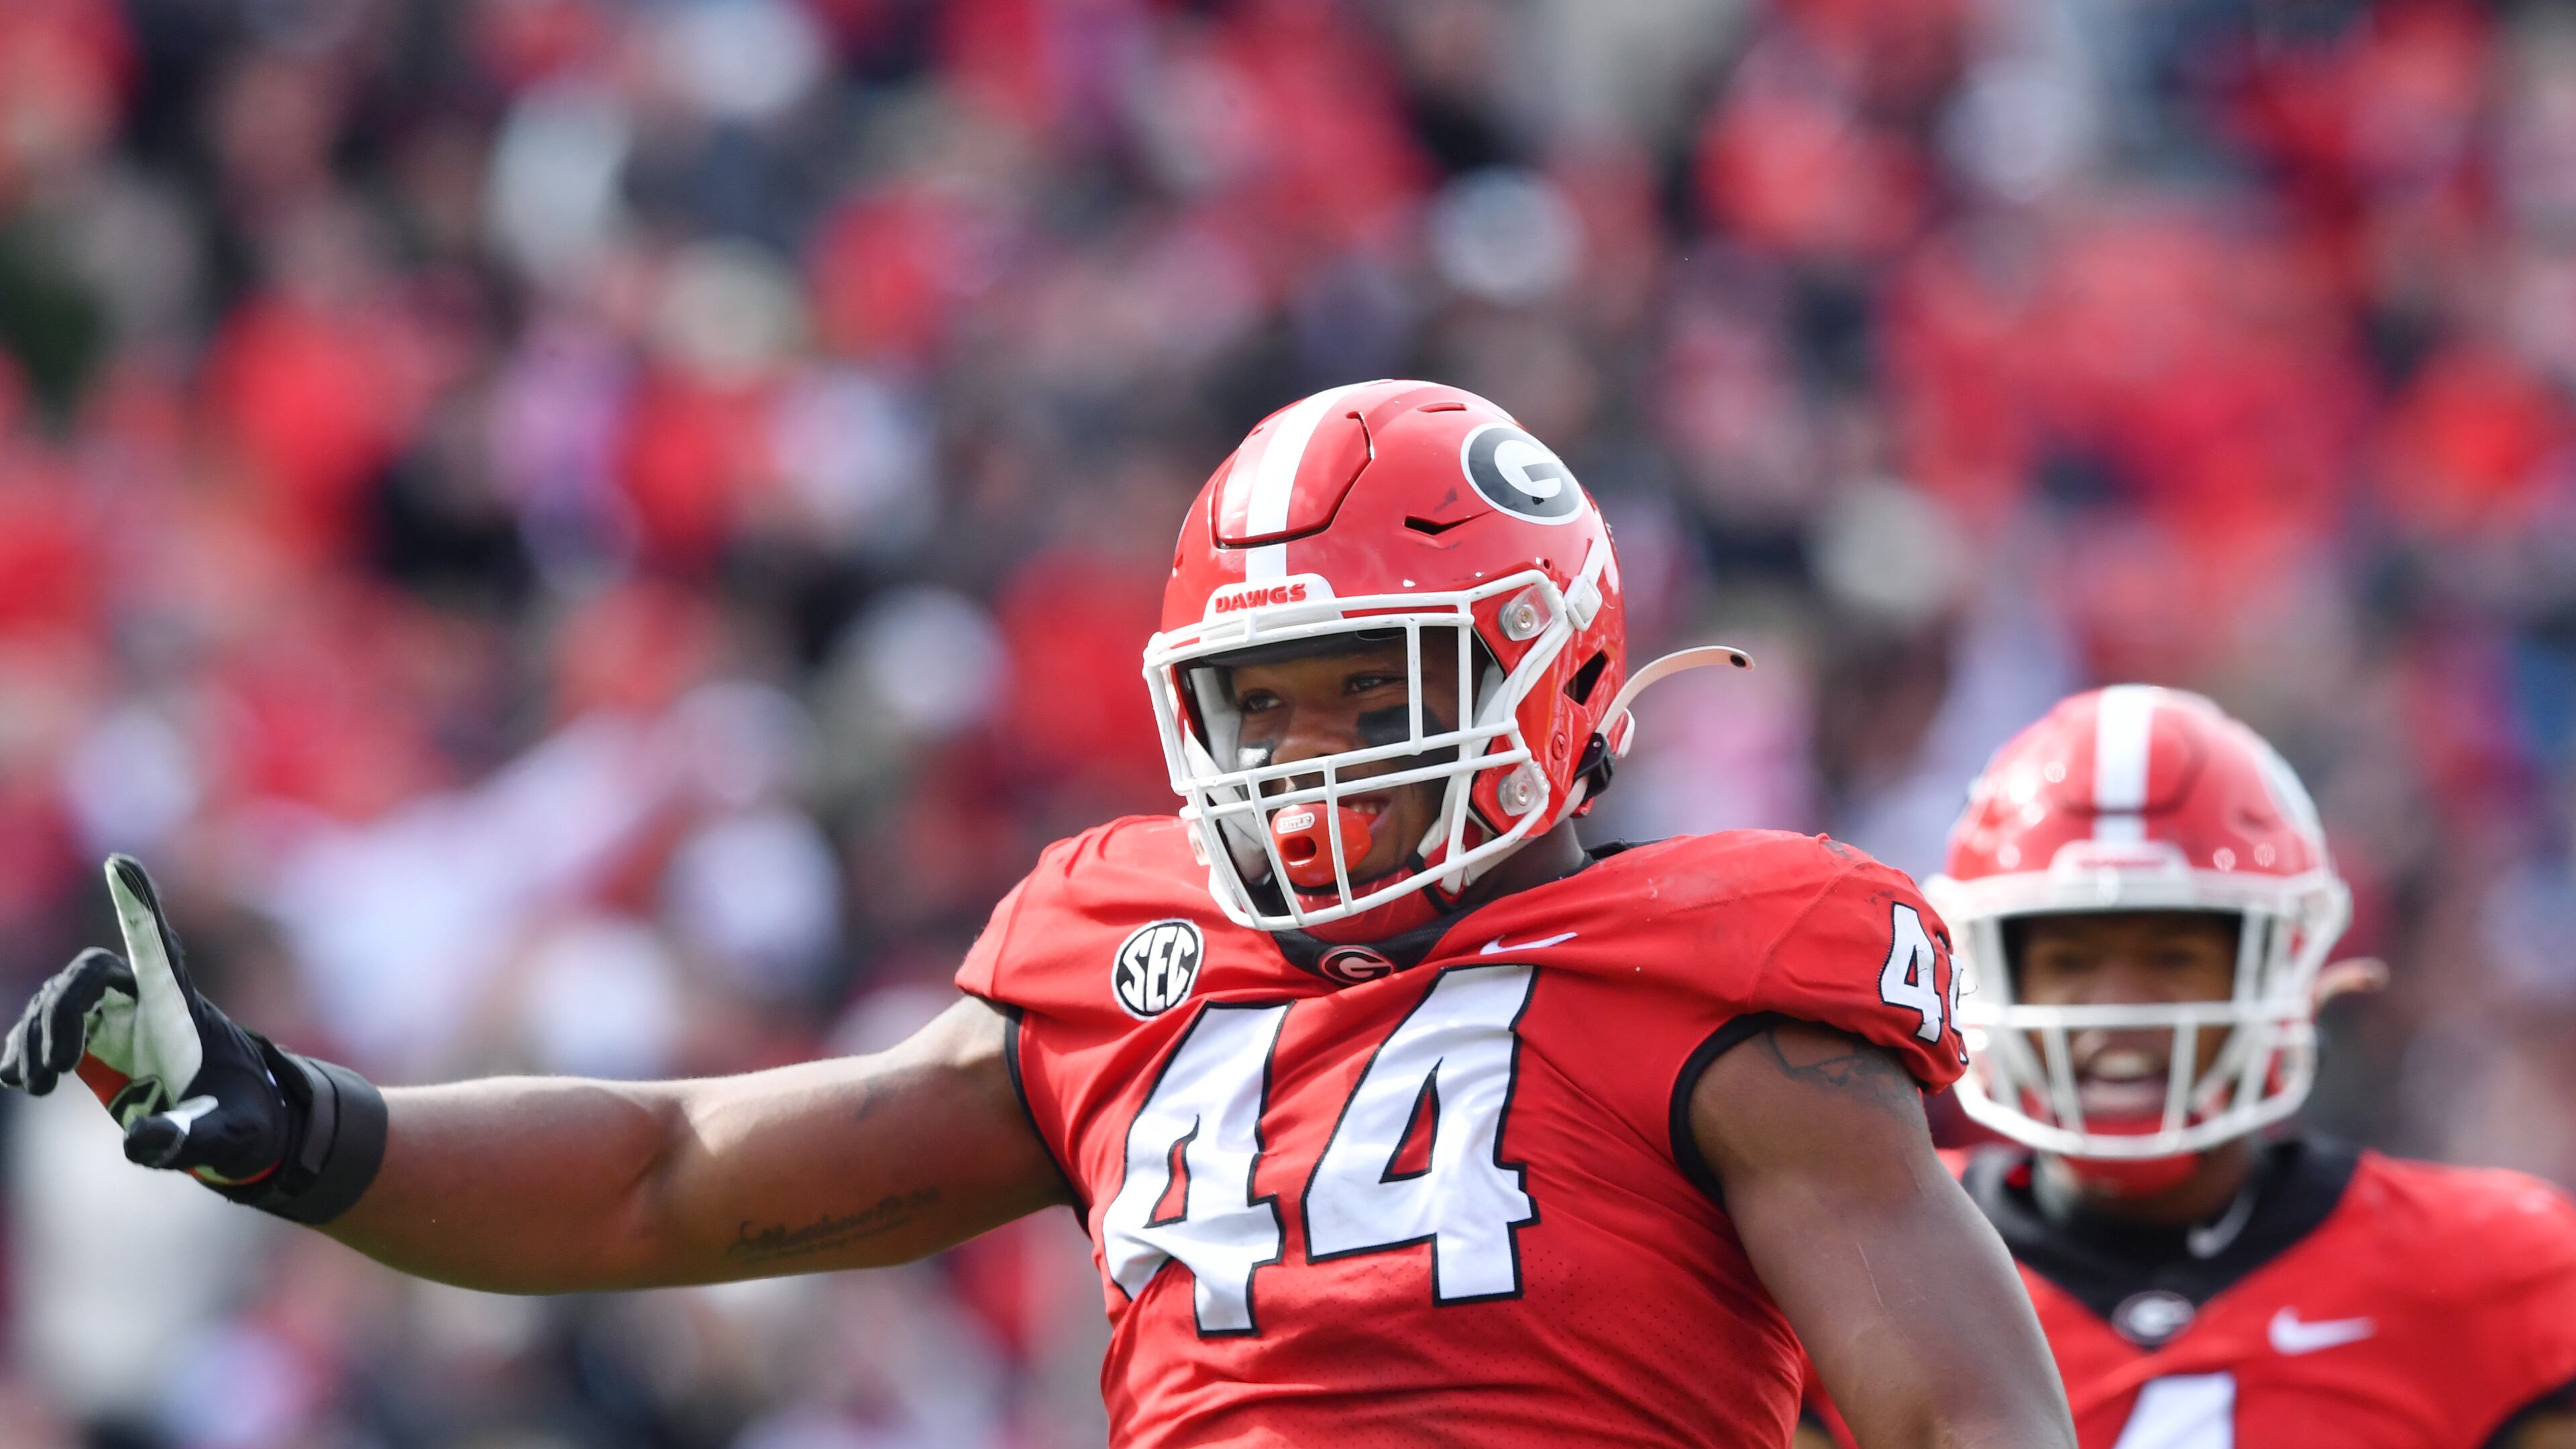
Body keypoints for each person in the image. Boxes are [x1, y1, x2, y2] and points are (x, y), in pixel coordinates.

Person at [3, 380, 2074, 1447]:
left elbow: (1968, 1421)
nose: (1308, 762)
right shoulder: (1117, 952)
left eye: (1371, 697)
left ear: (1550, 674)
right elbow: (674, 1177)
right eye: (1261, 708)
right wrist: (302, 1124)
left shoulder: (1732, 962)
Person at [1803, 686, 2576, 1448]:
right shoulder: (1857, 1266)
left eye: (2174, 957)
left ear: (2283, 968)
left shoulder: (2492, 1273)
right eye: (2070, 960)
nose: (2122, 1011)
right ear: (1986, 970)